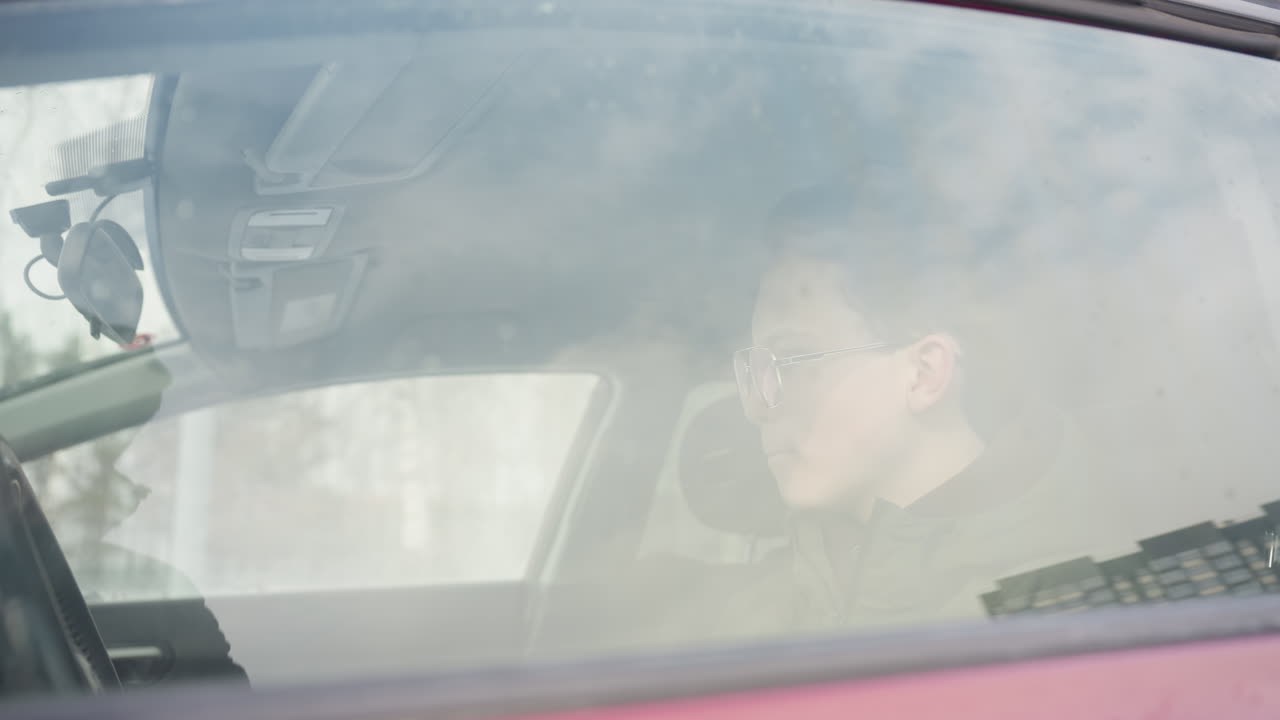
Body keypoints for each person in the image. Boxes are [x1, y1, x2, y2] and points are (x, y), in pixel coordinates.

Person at [641, 171, 1134, 645]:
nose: (756, 410)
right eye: (754, 372)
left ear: (924, 374)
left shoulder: (1081, 615)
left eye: (790, 360)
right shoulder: (728, 623)